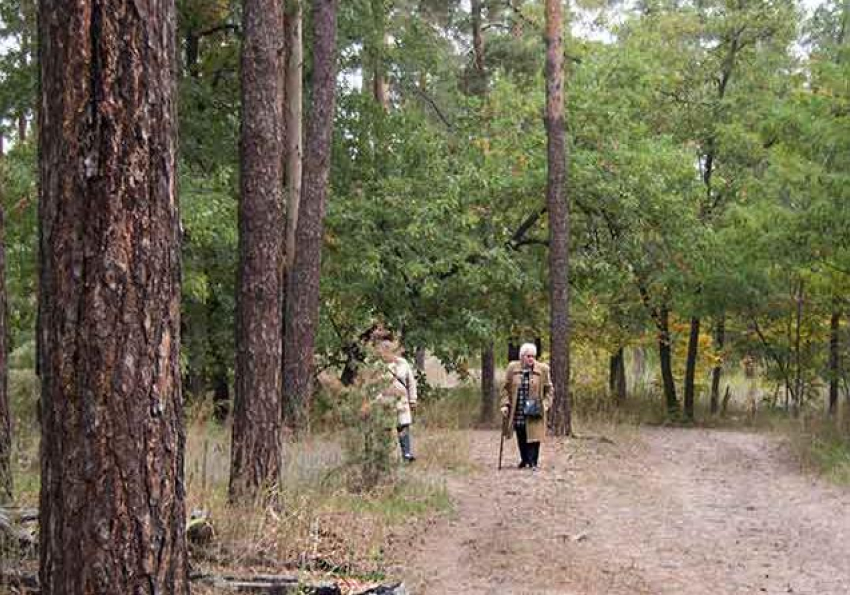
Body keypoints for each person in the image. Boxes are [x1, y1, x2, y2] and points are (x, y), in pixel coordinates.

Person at [500, 342, 552, 470]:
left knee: (534, 435)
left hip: (534, 406)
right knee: (521, 433)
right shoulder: (513, 368)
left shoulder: (543, 369)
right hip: (518, 407)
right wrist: (505, 404)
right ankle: (524, 459)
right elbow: (504, 388)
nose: (531, 359)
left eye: (533, 356)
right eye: (528, 356)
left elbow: (549, 389)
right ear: (522, 356)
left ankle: (533, 461)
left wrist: (545, 404)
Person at [376, 338, 418, 462]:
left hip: (402, 400)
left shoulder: (403, 363)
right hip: (385, 401)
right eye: (383, 351)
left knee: (403, 425)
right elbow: (374, 385)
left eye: (387, 350)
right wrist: (378, 400)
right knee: (385, 428)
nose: (384, 353)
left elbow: (411, 382)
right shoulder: (378, 365)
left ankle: (406, 454)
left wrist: (413, 399)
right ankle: (383, 456)